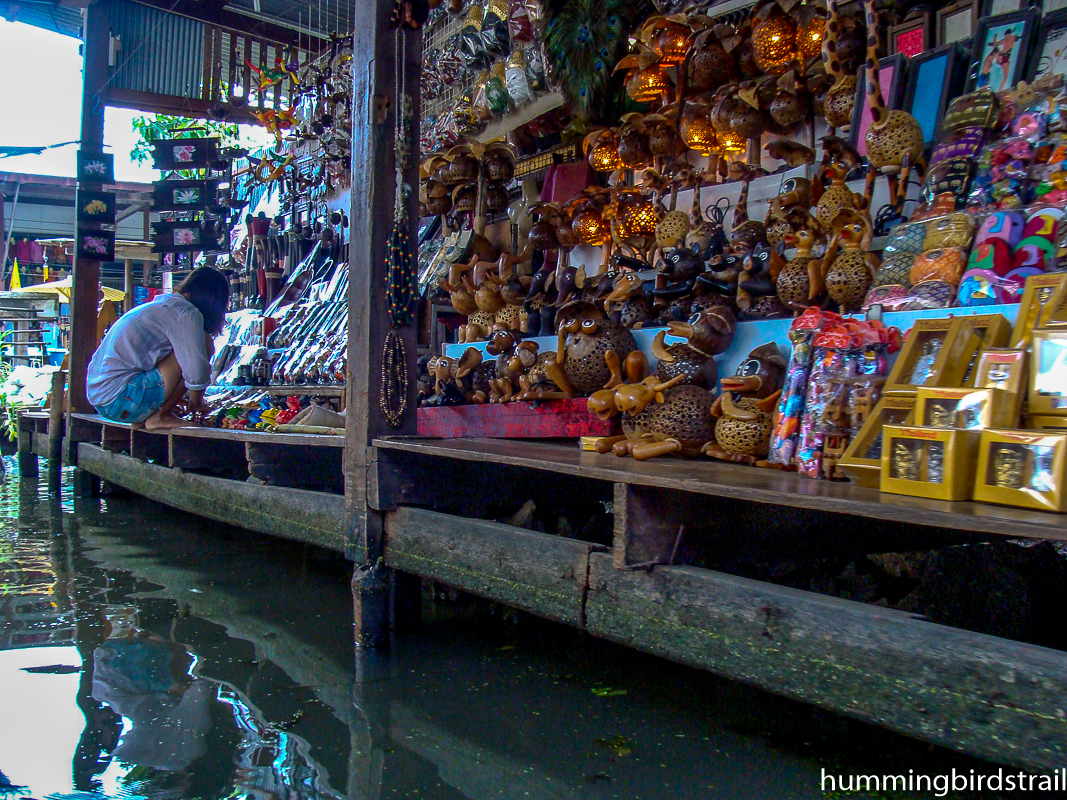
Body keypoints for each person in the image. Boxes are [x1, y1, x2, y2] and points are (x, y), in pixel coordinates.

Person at [87, 267, 229, 430]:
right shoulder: (186, 312)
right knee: (204, 345)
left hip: (103, 401)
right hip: (121, 400)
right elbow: (196, 372)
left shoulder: (163, 306)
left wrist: (172, 397)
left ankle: (153, 414)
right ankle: (161, 416)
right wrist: (196, 402)